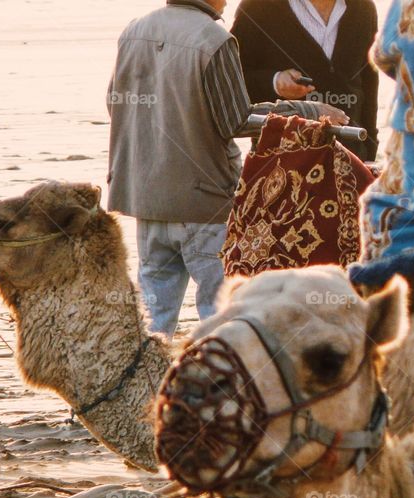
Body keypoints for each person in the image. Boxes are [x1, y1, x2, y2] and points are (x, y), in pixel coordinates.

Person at [107, 0, 348, 339]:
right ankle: (217, 387)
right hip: (205, 201)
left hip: (146, 199)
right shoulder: (213, 38)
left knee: (154, 319)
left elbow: (114, 104)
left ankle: (145, 388)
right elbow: (235, 119)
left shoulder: (134, 30)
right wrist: (307, 109)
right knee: (218, 315)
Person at [231, 0, 379, 162]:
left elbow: (369, 85)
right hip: (281, 168)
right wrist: (274, 82)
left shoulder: (364, 8)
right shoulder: (257, 7)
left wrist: (369, 153)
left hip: (351, 162)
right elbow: (231, 86)